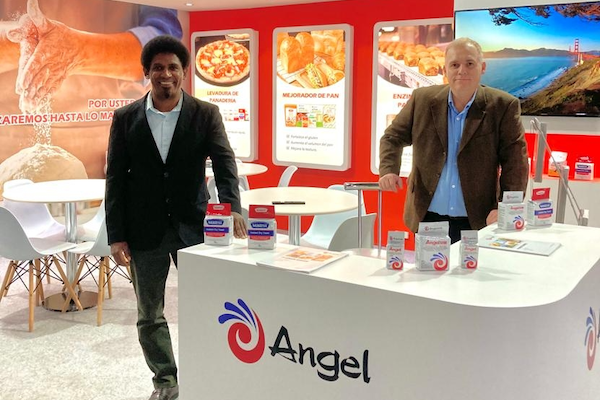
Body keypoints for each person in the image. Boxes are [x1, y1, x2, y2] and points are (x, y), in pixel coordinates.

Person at [105, 35, 248, 400]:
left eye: (172, 67)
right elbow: (115, 179)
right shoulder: (125, 118)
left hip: (195, 228)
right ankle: (165, 380)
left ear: (184, 71)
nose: (165, 74)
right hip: (144, 231)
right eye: (157, 68)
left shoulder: (205, 114)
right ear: (147, 73)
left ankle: (208, 371)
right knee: (149, 313)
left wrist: (232, 206)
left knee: (209, 305)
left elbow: (225, 163)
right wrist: (116, 235)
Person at [378, 37, 528, 243]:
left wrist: (506, 207)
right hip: (426, 216)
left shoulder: (503, 105)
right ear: (445, 69)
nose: (461, 71)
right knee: (427, 265)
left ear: (483, 67)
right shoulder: (421, 99)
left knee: (472, 265)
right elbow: (392, 137)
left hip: (477, 220)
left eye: (470, 63)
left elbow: (515, 163)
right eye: (454, 64)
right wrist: (388, 169)